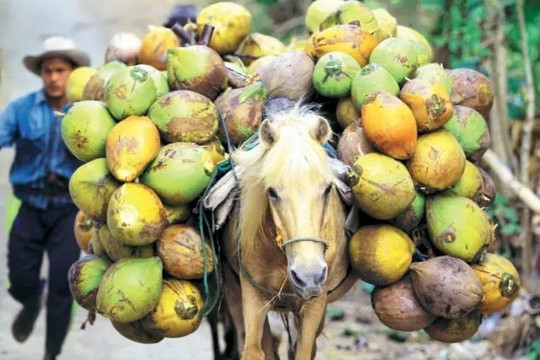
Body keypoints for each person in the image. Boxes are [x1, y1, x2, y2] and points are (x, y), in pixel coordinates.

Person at [0, 36, 91, 360]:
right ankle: (29, 297)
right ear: (40, 73)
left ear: (73, 73)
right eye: (48, 70)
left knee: (62, 285)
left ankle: (51, 354)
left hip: (69, 211)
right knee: (19, 278)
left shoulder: (87, 113)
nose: (54, 77)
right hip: (29, 205)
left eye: (60, 70)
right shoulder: (21, 109)